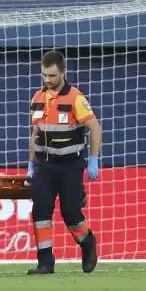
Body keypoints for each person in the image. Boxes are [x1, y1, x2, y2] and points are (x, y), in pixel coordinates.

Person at [27, 50, 101, 275]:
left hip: (70, 165)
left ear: (63, 73)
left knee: (71, 212)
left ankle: (87, 242)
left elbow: (95, 128)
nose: (47, 80)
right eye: (44, 75)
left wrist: (94, 159)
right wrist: (30, 162)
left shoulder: (76, 98)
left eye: (52, 76)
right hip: (44, 164)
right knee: (40, 210)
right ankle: (45, 262)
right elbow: (35, 133)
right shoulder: (38, 98)